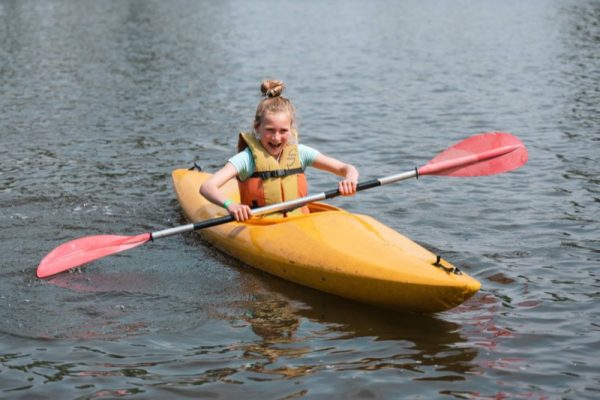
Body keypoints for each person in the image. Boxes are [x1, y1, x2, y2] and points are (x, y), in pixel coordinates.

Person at [200, 79, 359, 222]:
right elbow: (207, 187)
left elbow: (346, 168)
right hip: (260, 224)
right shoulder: (246, 159)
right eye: (270, 130)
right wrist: (231, 205)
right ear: (257, 128)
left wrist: (350, 179)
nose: (276, 138)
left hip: (299, 221)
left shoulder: (301, 153)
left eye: (283, 131)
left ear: (291, 130)